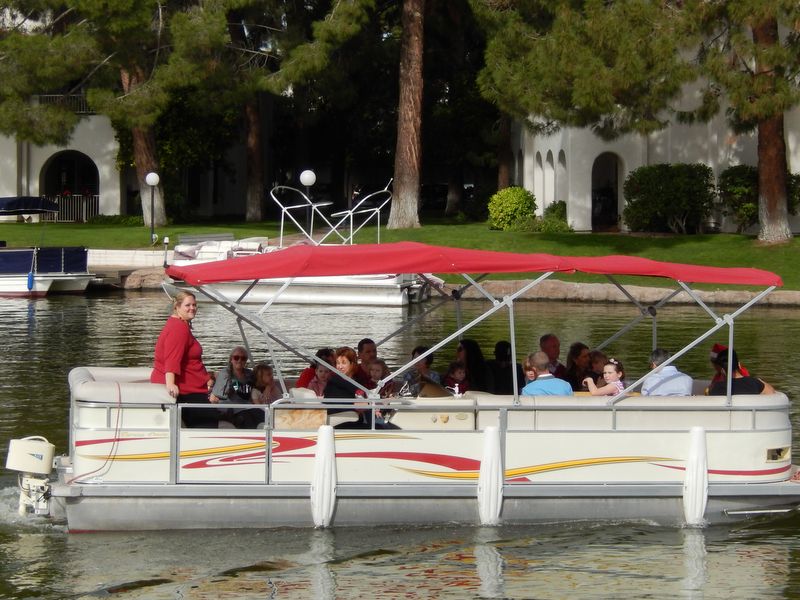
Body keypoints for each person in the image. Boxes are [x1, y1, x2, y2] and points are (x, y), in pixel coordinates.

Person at [151, 291, 215, 428]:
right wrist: (170, 384)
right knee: (208, 423)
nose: (192, 308)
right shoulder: (178, 328)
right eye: (188, 305)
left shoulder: (180, 324)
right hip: (188, 392)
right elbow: (172, 358)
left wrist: (207, 377)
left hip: (194, 387)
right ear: (177, 307)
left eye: (194, 305)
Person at [707, 348, 775, 396]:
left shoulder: (717, 388)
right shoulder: (755, 383)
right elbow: (771, 392)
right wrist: (760, 381)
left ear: (722, 370)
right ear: (739, 365)